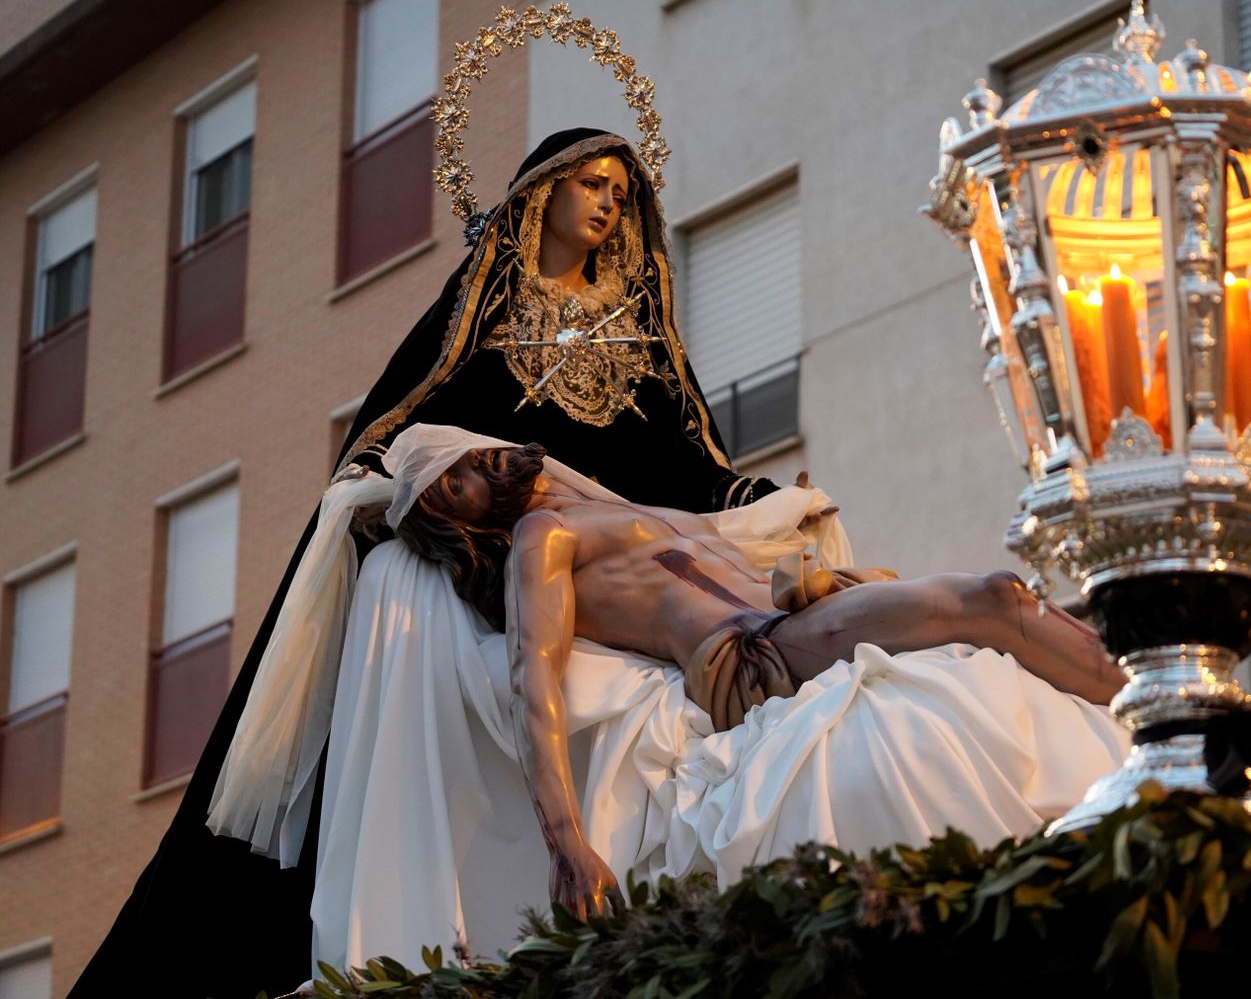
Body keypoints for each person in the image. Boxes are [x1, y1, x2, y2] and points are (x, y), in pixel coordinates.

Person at [71, 129, 777, 999]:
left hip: (599, 576)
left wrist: (751, 497)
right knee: (410, 607)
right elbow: (401, 429)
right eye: (591, 184)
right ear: (543, 193)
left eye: (620, 195)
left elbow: (689, 463)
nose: (606, 203)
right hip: (487, 574)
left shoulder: (638, 336)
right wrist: (404, 485)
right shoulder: (480, 316)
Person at [389, 426, 1251, 920]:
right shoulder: (543, 546)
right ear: (458, 522)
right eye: (455, 485)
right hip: (756, 662)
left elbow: (735, 548)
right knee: (994, 600)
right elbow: (533, 681)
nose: (480, 472)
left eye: (469, 459)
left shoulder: (602, 511)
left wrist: (805, 543)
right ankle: (1249, 715)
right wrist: (567, 842)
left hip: (790, 617)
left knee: (1001, 603)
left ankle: (1236, 712)